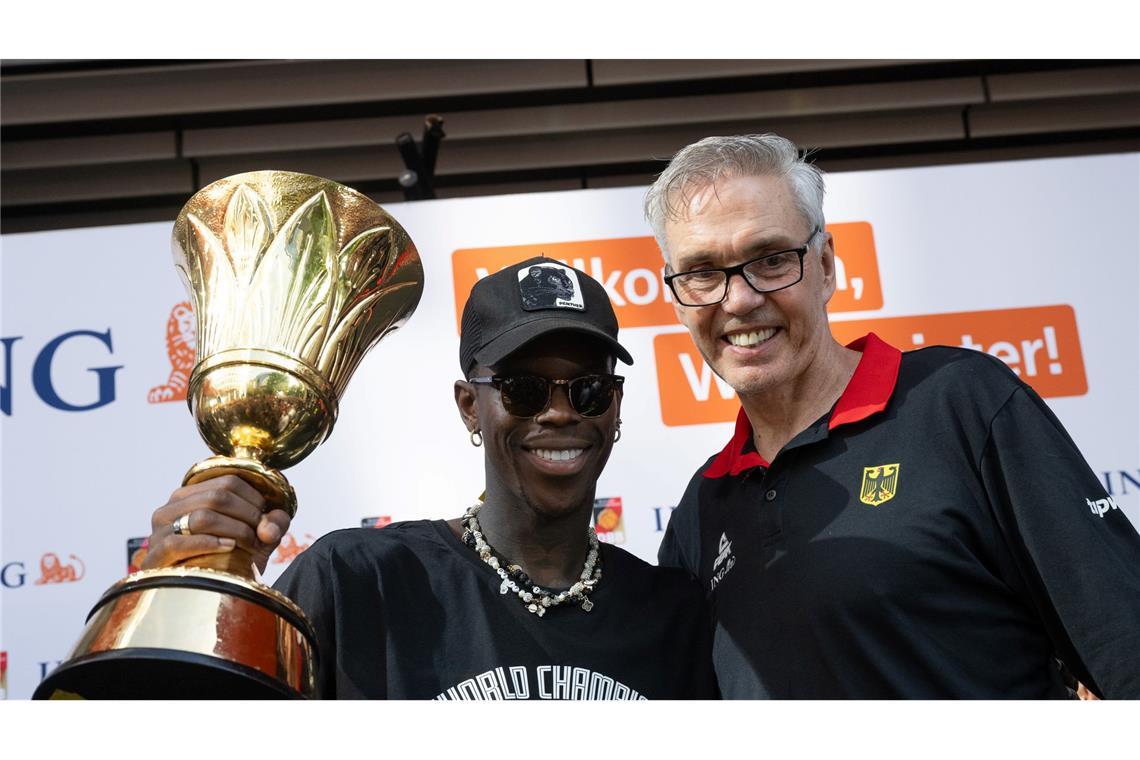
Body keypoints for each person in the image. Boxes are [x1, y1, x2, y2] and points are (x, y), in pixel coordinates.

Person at [645, 133, 1140, 698]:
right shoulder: (698, 515)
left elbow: (1123, 646)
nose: (738, 300)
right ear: (679, 298)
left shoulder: (961, 405)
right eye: (702, 272)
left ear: (826, 267)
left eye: (771, 259)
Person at [143, 257, 716, 700]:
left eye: (588, 389)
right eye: (523, 388)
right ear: (470, 406)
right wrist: (176, 598)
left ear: (615, 406)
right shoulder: (358, 582)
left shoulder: (673, 614)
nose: (559, 412)